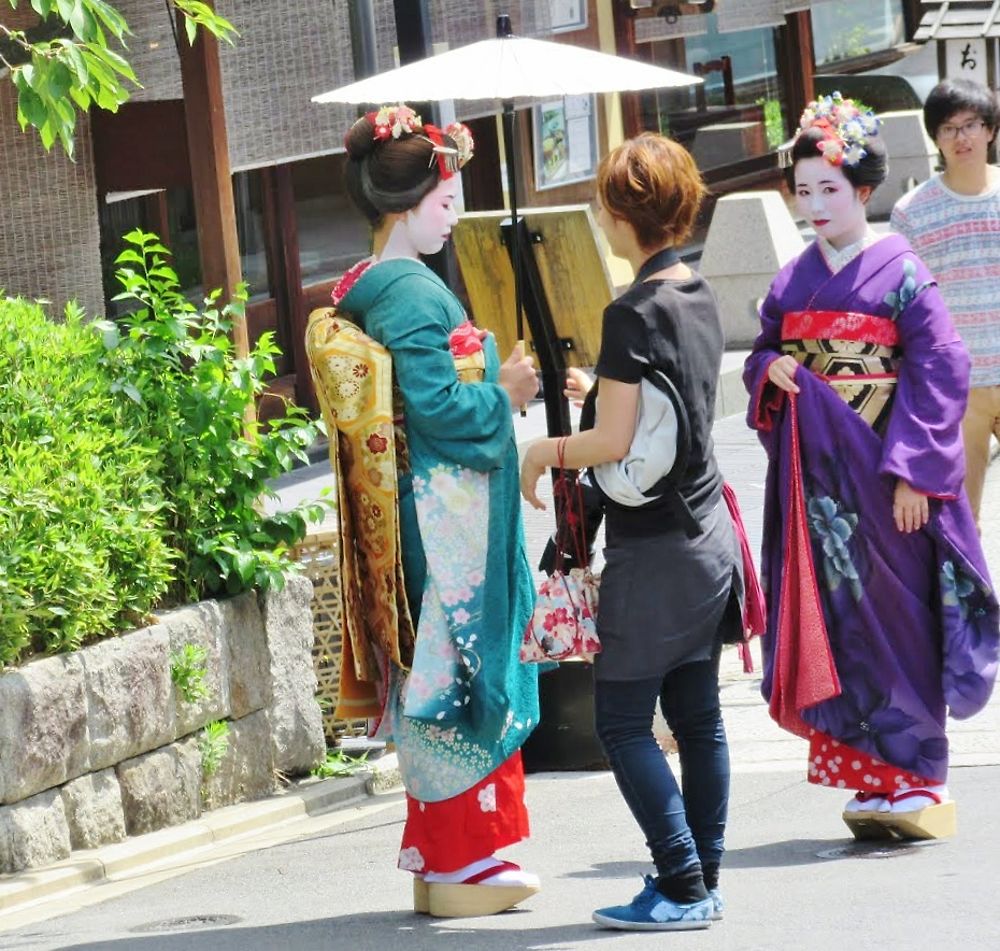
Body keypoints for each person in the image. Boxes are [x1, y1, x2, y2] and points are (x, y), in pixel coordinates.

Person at [305, 104, 542, 918]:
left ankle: (439, 851)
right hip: (443, 525)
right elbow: (438, 411)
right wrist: (502, 392)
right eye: (447, 202)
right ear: (406, 206)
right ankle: (461, 855)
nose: (455, 215)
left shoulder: (370, 282)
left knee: (436, 674)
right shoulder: (408, 292)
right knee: (457, 671)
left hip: (422, 512)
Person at [744, 94, 999, 840]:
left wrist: (920, 470)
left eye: (830, 189)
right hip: (827, 486)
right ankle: (874, 776)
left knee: (902, 620)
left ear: (864, 191)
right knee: (847, 622)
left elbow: (942, 365)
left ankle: (918, 776)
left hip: (890, 479)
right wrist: (770, 372)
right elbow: (763, 349)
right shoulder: (792, 281)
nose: (815, 204)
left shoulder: (901, 270)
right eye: (804, 191)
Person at [521, 133, 751, 931]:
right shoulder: (696, 291)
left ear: (621, 216)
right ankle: (701, 878)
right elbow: (658, 408)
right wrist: (598, 394)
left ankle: (683, 882)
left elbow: (612, 445)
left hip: (655, 551)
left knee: (621, 720)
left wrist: (540, 449)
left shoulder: (631, 309)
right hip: (709, 531)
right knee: (698, 716)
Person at [890, 78, 1000, 527]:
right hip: (958, 387)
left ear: (991, 130)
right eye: (949, 128)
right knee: (961, 520)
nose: (962, 137)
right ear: (934, 137)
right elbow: (904, 307)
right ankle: (976, 599)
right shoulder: (912, 212)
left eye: (971, 124)